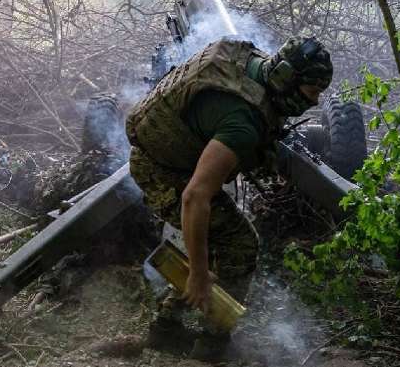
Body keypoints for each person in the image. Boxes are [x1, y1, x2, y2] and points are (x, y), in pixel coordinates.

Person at [125, 35, 333, 359]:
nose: (316, 101)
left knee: (215, 240)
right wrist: (196, 272)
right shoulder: (242, 125)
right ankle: (212, 343)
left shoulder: (254, 63)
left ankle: (166, 327)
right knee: (239, 243)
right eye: (312, 91)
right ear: (286, 79)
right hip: (161, 171)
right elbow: (194, 197)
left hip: (175, 156)